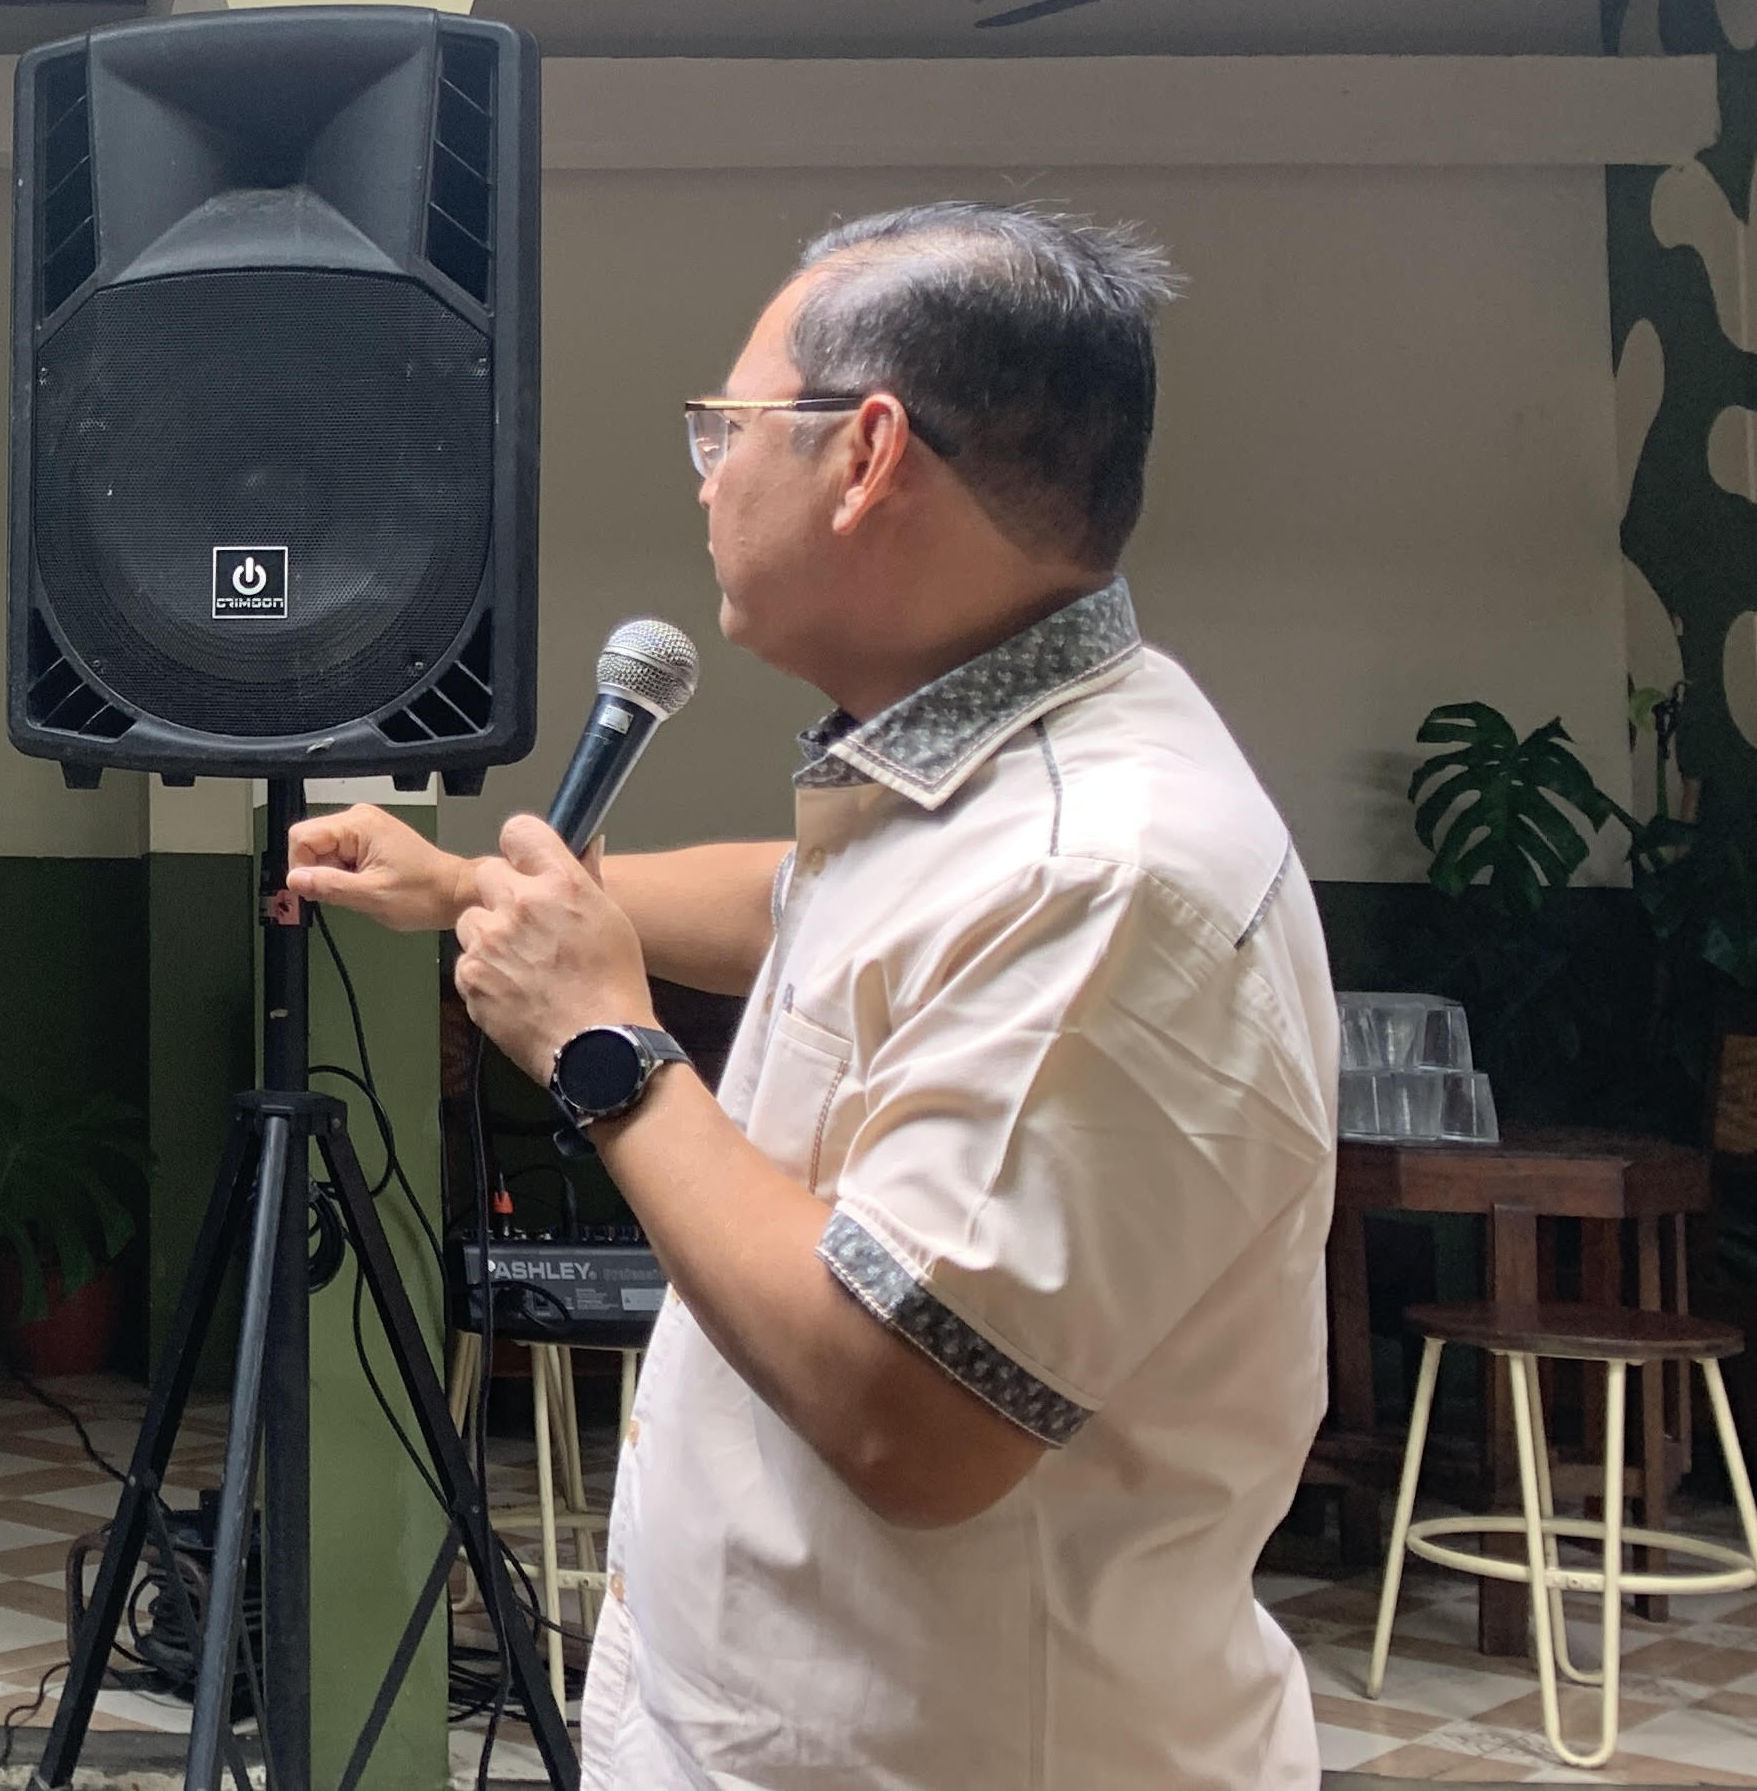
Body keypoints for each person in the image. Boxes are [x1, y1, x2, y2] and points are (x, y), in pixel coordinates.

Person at [282, 204, 1333, 1788]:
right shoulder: (991, 788)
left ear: (868, 453)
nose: (705, 474)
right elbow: (810, 902)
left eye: (728, 428)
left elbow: (912, 1413)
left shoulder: (1101, 875)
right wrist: (465, 890)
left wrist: (604, 1048)